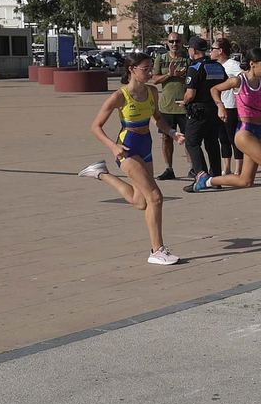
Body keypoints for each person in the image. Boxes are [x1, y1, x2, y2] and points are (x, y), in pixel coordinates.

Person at [78, 53, 186, 265]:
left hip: (145, 145)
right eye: (145, 68)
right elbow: (95, 127)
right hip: (127, 147)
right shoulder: (120, 96)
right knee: (155, 197)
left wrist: (172, 133)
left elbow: (157, 119)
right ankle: (157, 250)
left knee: (140, 201)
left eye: (149, 68)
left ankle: (100, 173)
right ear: (132, 69)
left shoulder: (152, 91)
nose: (149, 72)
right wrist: (113, 146)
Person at [191, 49, 261, 233]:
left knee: (246, 181)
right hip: (244, 133)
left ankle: (206, 181)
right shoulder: (239, 80)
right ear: (252, 63)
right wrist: (220, 106)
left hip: (258, 131)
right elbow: (215, 89)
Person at [179, 36, 225, 184]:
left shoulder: (194, 68)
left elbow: (190, 94)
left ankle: (201, 176)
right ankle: (216, 178)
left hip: (199, 111)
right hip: (215, 108)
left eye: (189, 49)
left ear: (193, 50)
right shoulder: (217, 66)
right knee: (212, 143)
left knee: (192, 142)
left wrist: (184, 101)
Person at [151, 34, 189, 179]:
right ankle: (169, 169)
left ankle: (192, 168)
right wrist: (170, 74)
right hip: (167, 106)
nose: (174, 44)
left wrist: (182, 75)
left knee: (189, 139)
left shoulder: (188, 59)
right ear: (167, 43)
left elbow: (195, 79)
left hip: (185, 105)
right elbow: (154, 79)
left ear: (181, 42)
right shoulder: (161, 59)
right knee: (166, 138)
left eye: (177, 41)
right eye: (171, 41)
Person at [211, 38, 242, 174]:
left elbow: (243, 78)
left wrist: (234, 88)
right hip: (218, 106)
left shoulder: (232, 65)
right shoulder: (214, 65)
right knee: (222, 138)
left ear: (220, 51)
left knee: (233, 138)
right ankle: (226, 168)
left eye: (213, 49)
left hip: (231, 106)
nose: (210, 51)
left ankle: (238, 170)